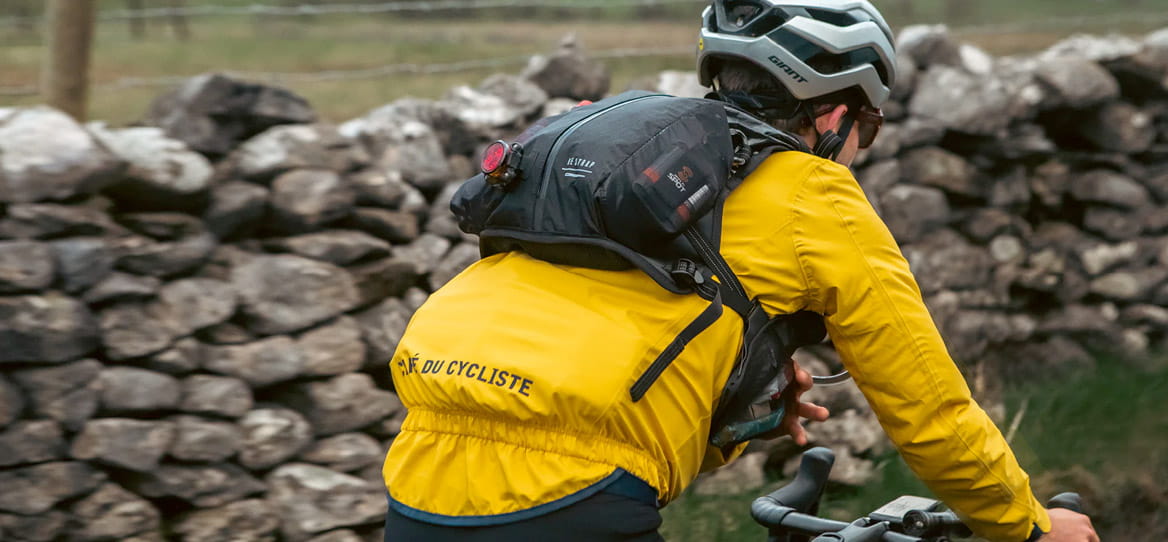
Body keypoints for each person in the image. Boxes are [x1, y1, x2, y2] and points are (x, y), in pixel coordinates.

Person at [381, 1, 1099, 541]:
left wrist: (735, 416)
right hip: (571, 498)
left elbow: (596, 346)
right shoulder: (813, 194)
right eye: (868, 129)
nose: (861, 150)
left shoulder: (645, 167)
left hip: (415, 477)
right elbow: (930, 412)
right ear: (832, 115)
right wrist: (1029, 527)